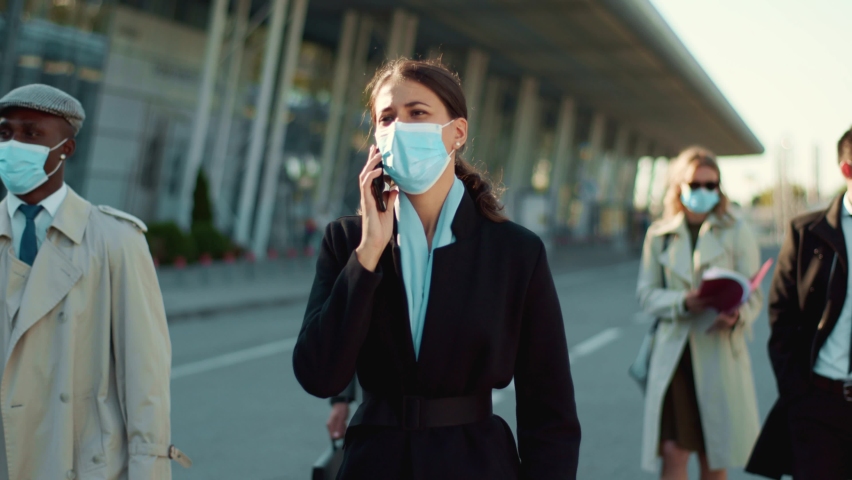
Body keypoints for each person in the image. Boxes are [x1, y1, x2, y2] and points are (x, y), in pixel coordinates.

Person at [292, 58, 581, 479]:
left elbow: (549, 408)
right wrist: (369, 252)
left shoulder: (514, 252)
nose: (400, 128)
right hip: (374, 463)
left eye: (418, 114)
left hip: (476, 463)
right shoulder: (348, 242)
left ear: (457, 133)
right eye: (387, 117)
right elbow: (319, 374)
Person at [0, 84, 189, 479]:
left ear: (66, 149)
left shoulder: (116, 241)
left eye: (31, 134)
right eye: (5, 133)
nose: (13, 144)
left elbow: (145, 381)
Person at [636, 147, 763, 480]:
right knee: (673, 453)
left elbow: (754, 293)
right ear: (679, 185)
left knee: (713, 456)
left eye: (712, 185)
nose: (704, 192)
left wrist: (737, 315)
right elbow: (646, 295)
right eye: (696, 184)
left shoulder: (737, 230)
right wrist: (682, 302)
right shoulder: (659, 234)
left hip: (719, 353)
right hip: (675, 356)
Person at [746, 126, 852, 480]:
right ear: (847, 170)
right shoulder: (808, 232)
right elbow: (782, 313)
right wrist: (797, 393)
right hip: (819, 403)